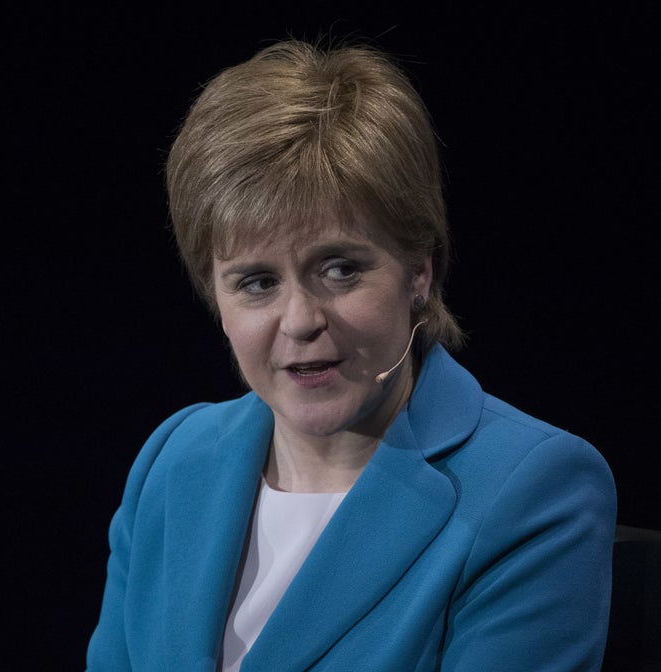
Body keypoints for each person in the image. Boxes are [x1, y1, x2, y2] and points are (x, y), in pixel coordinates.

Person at [86, 38, 617, 671]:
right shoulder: (173, 461)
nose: (302, 320)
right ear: (215, 296)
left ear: (419, 272)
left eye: (339, 269)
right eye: (258, 283)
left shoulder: (534, 490)